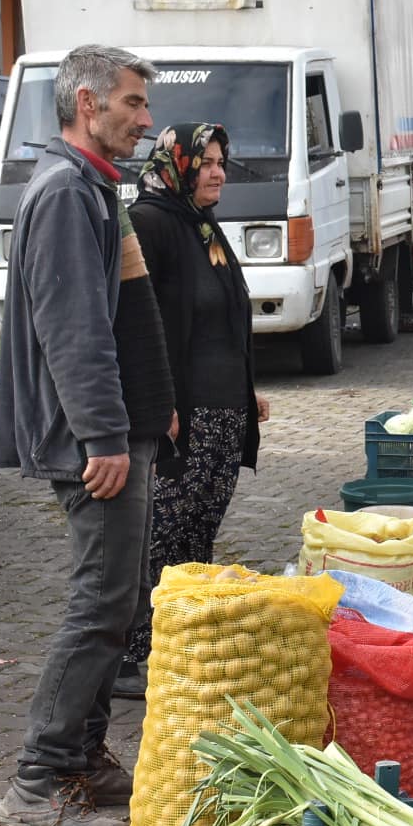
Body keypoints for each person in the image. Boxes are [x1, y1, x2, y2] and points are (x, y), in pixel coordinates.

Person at [0, 44, 176, 826]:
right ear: (89, 102)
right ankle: (38, 781)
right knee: (100, 603)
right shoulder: (66, 191)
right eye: (134, 103)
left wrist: (151, 410)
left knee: (121, 600)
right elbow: (73, 331)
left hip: (118, 431)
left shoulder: (93, 188)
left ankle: (84, 760)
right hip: (90, 441)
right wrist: (103, 435)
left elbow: (124, 318)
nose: (146, 119)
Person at [112, 121, 269, 700]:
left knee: (199, 532)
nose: (218, 171)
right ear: (176, 163)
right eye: (205, 162)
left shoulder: (201, 225)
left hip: (223, 410)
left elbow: (226, 315)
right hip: (183, 414)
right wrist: (160, 405)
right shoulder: (151, 223)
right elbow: (139, 324)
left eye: (222, 161)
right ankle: (131, 657)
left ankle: (177, 640)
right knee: (164, 534)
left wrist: (247, 390)